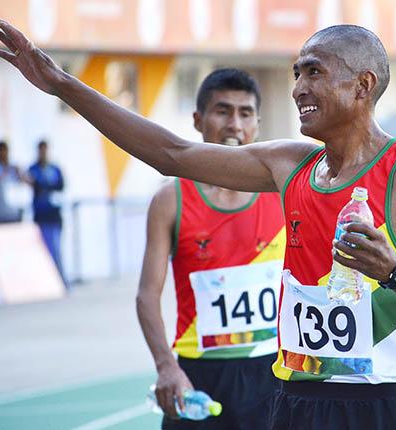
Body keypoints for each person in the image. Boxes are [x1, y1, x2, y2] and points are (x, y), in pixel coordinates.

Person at [0, 19, 396, 430]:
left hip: (382, 407)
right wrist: (62, 84)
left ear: (363, 85)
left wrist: (394, 270)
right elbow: (171, 154)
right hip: (295, 403)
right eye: (296, 73)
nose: (298, 88)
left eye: (314, 72)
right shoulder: (291, 166)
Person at [136, 69, 284, 429]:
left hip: (272, 371)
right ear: (198, 120)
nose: (234, 124)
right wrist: (166, 366)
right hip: (198, 375)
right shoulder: (170, 200)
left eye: (245, 113)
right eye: (223, 111)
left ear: (257, 124)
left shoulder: (283, 194)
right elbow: (147, 295)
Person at [27, 140, 66, 282]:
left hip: (54, 215)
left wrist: (44, 185)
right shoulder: (33, 169)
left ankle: (60, 280)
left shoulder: (55, 169)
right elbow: (34, 186)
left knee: (56, 250)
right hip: (40, 215)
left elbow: (61, 186)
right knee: (43, 251)